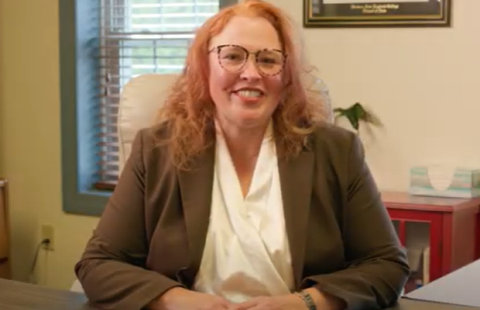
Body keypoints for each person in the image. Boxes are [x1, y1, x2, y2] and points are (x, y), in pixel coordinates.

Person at [74, 1, 410, 310]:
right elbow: (98, 264)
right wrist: (177, 301)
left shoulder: (336, 151)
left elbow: (387, 266)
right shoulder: (157, 150)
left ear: (286, 74)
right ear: (203, 68)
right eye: (232, 56)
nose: (251, 73)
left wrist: (304, 304)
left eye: (268, 59)